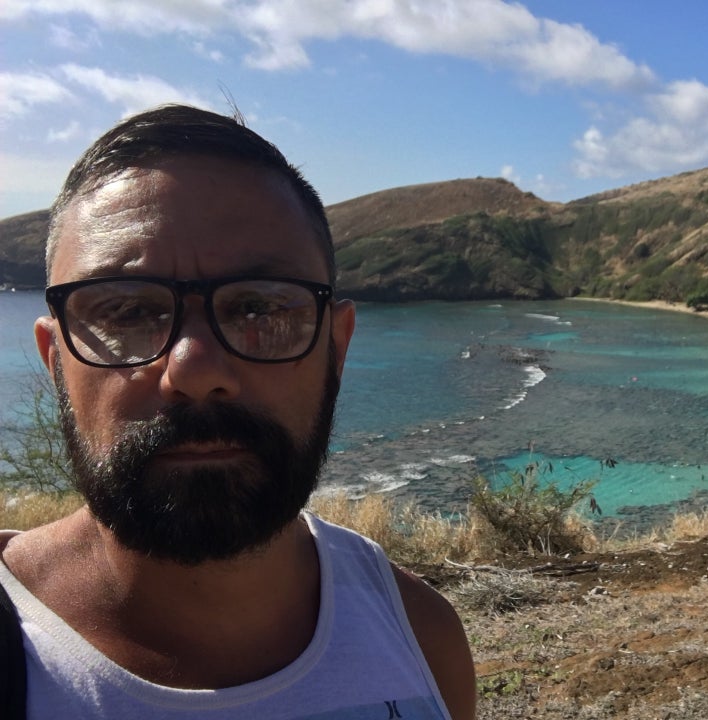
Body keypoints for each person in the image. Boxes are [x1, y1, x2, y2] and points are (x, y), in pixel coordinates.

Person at [0, 105, 476, 719]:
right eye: (125, 311)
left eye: (260, 309)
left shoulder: (419, 637)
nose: (195, 373)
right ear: (55, 359)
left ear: (336, 348)